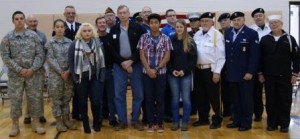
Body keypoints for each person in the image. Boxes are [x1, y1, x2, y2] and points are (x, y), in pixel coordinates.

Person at [0, 11, 46, 137]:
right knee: (15, 100)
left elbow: (40, 54)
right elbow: (5, 56)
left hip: (33, 74)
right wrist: (19, 69)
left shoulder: (34, 36)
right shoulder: (7, 38)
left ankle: (36, 123)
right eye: (17, 19)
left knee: (35, 99)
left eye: (21, 18)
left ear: (24, 20)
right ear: (13, 21)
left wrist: (32, 68)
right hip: (16, 75)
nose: (19, 20)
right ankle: (15, 125)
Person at [259, 15, 300, 132]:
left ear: (281, 24)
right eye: (271, 23)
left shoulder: (289, 39)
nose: (274, 24)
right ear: (269, 25)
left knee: (285, 100)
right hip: (269, 76)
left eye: (276, 22)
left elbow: (296, 59)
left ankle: (284, 124)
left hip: (285, 76)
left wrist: (295, 74)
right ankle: (271, 123)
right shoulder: (265, 39)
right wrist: (260, 73)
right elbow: (260, 59)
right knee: (271, 100)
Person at [109, 5, 145, 131]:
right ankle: (122, 120)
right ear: (118, 15)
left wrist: (131, 61)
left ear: (129, 14)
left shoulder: (138, 28)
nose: (123, 15)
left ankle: (135, 120)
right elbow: (111, 50)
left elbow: (141, 46)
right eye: (120, 13)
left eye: (125, 12)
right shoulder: (113, 29)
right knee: (119, 94)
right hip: (119, 66)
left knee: (138, 94)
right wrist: (123, 63)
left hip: (136, 64)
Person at [225, 12, 260, 131]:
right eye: (234, 20)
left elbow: (254, 56)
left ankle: (246, 122)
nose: (236, 22)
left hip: (245, 74)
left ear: (244, 20)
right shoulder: (228, 32)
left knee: (246, 99)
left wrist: (250, 72)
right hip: (232, 73)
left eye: (238, 20)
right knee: (235, 99)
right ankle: (237, 120)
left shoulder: (252, 33)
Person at [138, 13, 172, 133]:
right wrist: (148, 69)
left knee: (160, 98)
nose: (153, 25)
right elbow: (141, 54)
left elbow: (167, 56)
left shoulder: (166, 38)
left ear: (159, 24)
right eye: (151, 23)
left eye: (156, 23)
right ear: (149, 24)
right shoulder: (143, 37)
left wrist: (156, 69)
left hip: (161, 73)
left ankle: (160, 122)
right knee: (149, 98)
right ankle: (150, 122)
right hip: (146, 73)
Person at [68, 23, 105, 133]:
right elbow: (71, 62)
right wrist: (75, 78)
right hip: (81, 78)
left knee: (96, 102)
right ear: (80, 32)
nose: (87, 32)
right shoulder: (75, 44)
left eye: (89, 30)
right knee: (82, 102)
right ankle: (85, 124)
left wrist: (101, 77)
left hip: (95, 77)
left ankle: (96, 122)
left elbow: (103, 60)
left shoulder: (97, 43)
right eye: (84, 31)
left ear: (92, 31)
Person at [192, 12, 225, 129]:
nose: (204, 23)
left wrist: (217, 72)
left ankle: (217, 119)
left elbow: (221, 56)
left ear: (212, 22)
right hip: (198, 70)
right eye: (202, 21)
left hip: (210, 70)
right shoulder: (197, 35)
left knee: (214, 96)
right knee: (200, 96)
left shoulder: (217, 35)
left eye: (207, 21)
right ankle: (203, 118)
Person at [46, 19, 77, 132]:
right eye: (57, 27)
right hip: (56, 76)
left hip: (67, 76)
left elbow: (72, 59)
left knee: (66, 98)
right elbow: (50, 59)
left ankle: (66, 119)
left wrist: (68, 71)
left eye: (61, 27)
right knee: (57, 100)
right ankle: (58, 122)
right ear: (54, 28)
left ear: (65, 28)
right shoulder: (50, 43)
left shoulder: (70, 42)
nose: (59, 29)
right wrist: (61, 72)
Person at [168, 19, 197, 131]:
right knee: (175, 99)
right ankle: (175, 121)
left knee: (186, 99)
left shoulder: (190, 41)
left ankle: (185, 122)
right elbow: (168, 58)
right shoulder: (170, 40)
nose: (179, 28)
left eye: (181, 26)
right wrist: (172, 70)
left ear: (185, 28)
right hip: (173, 75)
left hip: (186, 75)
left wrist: (184, 71)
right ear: (175, 28)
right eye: (177, 27)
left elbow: (193, 59)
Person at [23, 14, 47, 124]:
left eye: (35, 21)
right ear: (26, 22)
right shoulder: (22, 34)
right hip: (25, 70)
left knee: (39, 93)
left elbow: (45, 52)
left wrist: (38, 66)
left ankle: (40, 114)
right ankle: (27, 115)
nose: (33, 23)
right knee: (27, 93)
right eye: (31, 21)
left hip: (39, 69)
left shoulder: (42, 35)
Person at [95, 16, 119, 127]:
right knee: (98, 97)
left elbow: (116, 54)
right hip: (98, 71)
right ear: (96, 25)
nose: (102, 24)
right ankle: (98, 119)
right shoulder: (93, 39)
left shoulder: (111, 37)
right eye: (99, 23)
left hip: (111, 70)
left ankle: (112, 118)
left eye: (104, 22)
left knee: (112, 96)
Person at [250, 8, 271, 122]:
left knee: (271, 93)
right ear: (253, 18)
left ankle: (271, 115)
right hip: (257, 65)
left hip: (270, 65)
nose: (258, 17)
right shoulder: (251, 31)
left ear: (264, 16)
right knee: (256, 92)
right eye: (256, 16)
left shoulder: (272, 28)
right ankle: (258, 114)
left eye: (260, 15)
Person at [217, 12, 232, 117]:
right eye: (221, 21)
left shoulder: (233, 32)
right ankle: (226, 110)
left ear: (230, 21)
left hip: (231, 65)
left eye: (225, 20)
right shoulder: (217, 33)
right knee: (223, 90)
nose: (223, 22)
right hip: (219, 65)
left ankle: (233, 111)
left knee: (232, 89)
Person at [186, 12, 201, 116]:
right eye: (191, 21)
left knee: (202, 90)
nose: (193, 23)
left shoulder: (204, 33)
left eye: (195, 20)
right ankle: (193, 108)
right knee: (192, 89)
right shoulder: (187, 35)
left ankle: (203, 110)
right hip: (191, 67)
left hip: (202, 66)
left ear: (199, 22)